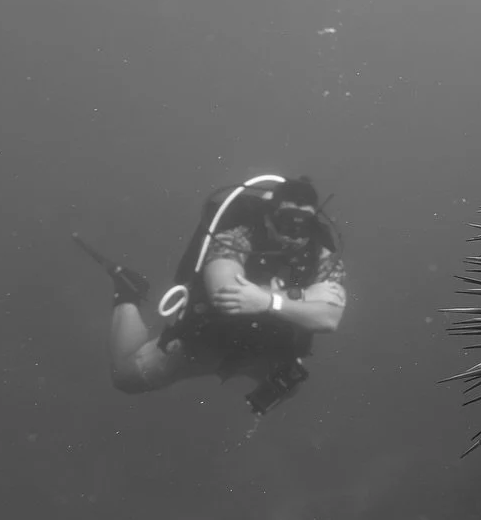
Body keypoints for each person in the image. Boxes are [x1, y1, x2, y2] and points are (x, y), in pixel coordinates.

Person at [75, 174, 347, 415]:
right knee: (125, 378)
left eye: (304, 226)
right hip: (207, 343)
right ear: (268, 218)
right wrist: (304, 299)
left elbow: (329, 319)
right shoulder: (236, 238)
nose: (294, 236)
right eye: (286, 223)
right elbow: (225, 295)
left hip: (267, 352)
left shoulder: (321, 257)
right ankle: (128, 293)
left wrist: (267, 299)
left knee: (290, 386)